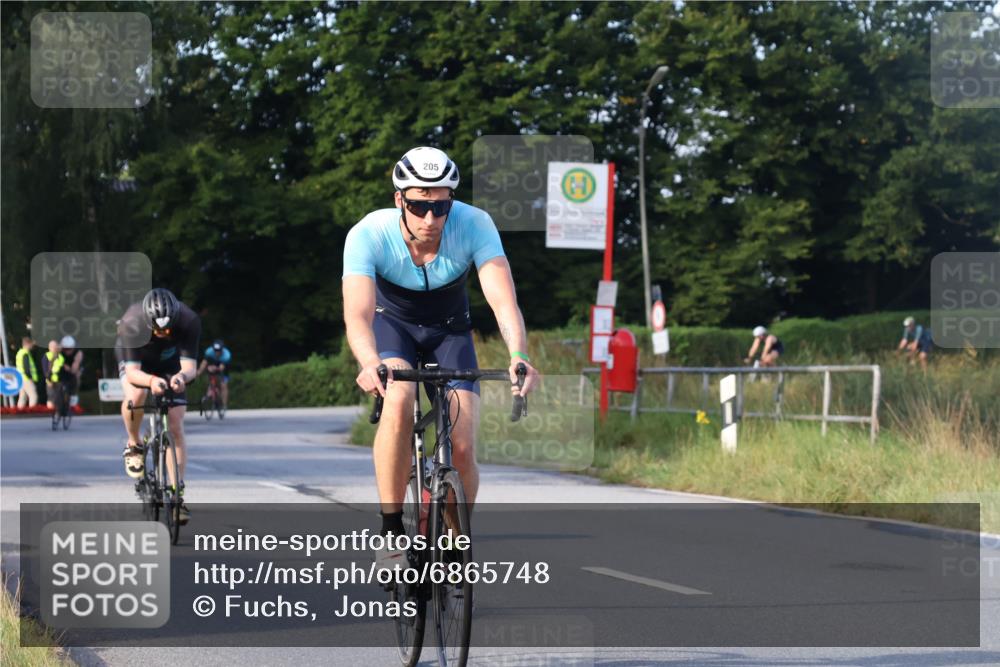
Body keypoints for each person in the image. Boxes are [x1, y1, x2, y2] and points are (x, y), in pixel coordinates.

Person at [341, 146, 539, 568]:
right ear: (399, 199)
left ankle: (452, 537)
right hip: (392, 328)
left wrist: (518, 354)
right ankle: (391, 530)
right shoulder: (368, 233)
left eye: (441, 207)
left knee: (462, 445)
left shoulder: (475, 224)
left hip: (450, 330)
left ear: (452, 201)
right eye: (418, 206)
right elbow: (357, 314)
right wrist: (369, 360)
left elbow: (503, 301)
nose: (430, 219)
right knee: (397, 401)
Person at [115, 288, 201, 524]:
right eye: (158, 330)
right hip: (137, 362)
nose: (163, 333)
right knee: (137, 394)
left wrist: (181, 378)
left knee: (175, 425)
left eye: (167, 329)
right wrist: (152, 381)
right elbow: (133, 373)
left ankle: (176, 495)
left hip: (170, 363)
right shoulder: (131, 323)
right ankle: (134, 443)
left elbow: (190, 367)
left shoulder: (189, 321)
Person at [197, 339, 232, 409]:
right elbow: (204, 362)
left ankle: (224, 405)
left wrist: (215, 368)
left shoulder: (227, 355)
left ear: (222, 349)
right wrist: (199, 372)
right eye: (215, 350)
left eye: (219, 350)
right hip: (212, 365)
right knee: (210, 381)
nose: (217, 352)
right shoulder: (209, 351)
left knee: (223, 385)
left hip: (223, 369)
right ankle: (210, 393)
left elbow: (221, 368)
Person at [58, 335, 84, 407]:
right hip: (63, 371)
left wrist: (69, 369)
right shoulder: (59, 352)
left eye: (69, 349)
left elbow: (74, 369)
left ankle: (73, 397)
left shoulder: (78, 353)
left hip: (74, 371)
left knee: (76, 378)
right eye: (65, 349)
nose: (67, 351)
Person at [15, 337, 40, 408]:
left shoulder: (20, 353)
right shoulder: (25, 353)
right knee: (33, 395)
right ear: (28, 344)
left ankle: (19, 411)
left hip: (20, 378)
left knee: (23, 397)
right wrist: (30, 377)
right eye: (31, 344)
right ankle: (32, 411)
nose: (32, 346)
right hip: (26, 378)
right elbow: (26, 367)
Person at [41, 339, 63, 410]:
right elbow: (45, 369)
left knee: (59, 397)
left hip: (59, 380)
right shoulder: (47, 355)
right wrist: (48, 379)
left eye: (55, 346)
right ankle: (50, 412)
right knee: (51, 397)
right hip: (50, 380)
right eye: (53, 346)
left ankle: (58, 411)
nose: (55, 347)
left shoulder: (60, 356)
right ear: (49, 347)